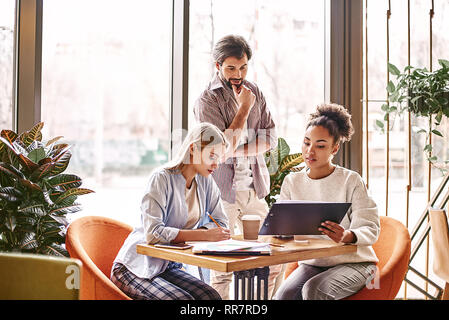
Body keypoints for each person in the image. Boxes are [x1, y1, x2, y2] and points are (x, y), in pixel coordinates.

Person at [193, 34, 282, 299]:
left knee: (273, 259)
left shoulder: (255, 92)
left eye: (243, 67)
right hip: (222, 195)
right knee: (223, 269)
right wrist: (243, 109)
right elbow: (219, 150)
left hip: (254, 189)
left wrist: (236, 151)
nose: (238, 74)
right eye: (231, 67)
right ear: (217, 65)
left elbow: (270, 139)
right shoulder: (207, 101)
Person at [110, 122, 231, 300]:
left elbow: (221, 223)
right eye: (211, 156)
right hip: (135, 267)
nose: (216, 164)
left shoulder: (206, 182)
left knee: (211, 297)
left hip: (167, 267)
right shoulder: (161, 179)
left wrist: (207, 233)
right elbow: (153, 233)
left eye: (219, 159)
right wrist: (204, 235)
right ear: (193, 149)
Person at [273, 103, 380, 300]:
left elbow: (370, 227)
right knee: (283, 296)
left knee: (314, 290)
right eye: (306, 143)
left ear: (335, 148)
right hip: (314, 263)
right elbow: (279, 224)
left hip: (357, 263)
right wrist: (282, 230)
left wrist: (347, 235)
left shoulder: (351, 180)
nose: (310, 151)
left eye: (320, 145)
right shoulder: (292, 181)